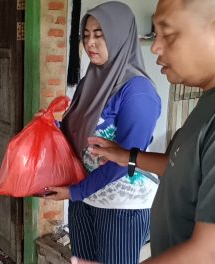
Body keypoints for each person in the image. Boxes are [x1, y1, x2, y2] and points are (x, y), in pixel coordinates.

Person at [88, 0, 215, 262]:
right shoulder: (206, 101)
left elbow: (207, 252)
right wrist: (127, 156)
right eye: (155, 34)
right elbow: (183, 168)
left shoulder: (138, 92)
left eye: (167, 34)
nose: (155, 46)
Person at [43, 2, 162, 264]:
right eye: (86, 35)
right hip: (85, 196)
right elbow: (80, 131)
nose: (90, 43)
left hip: (120, 206)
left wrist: (74, 192)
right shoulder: (92, 80)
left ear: (120, 34)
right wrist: (49, 128)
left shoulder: (138, 92)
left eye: (99, 34)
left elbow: (125, 162)